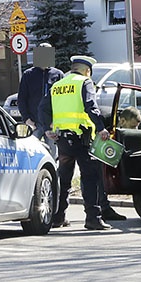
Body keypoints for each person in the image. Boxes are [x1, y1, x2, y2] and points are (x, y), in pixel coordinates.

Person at [39, 55, 114, 231]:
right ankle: (93, 218)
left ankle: (58, 217)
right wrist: (101, 127)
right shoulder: (84, 83)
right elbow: (90, 106)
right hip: (82, 139)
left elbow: (42, 108)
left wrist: (46, 128)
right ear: (87, 71)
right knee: (90, 178)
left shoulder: (57, 85)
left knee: (64, 179)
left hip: (63, 140)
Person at [18, 43, 63, 137]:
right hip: (34, 123)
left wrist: (56, 120)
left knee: (52, 151)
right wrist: (26, 119)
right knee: (32, 150)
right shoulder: (28, 75)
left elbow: (62, 100)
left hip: (52, 124)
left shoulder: (58, 75)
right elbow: (21, 99)